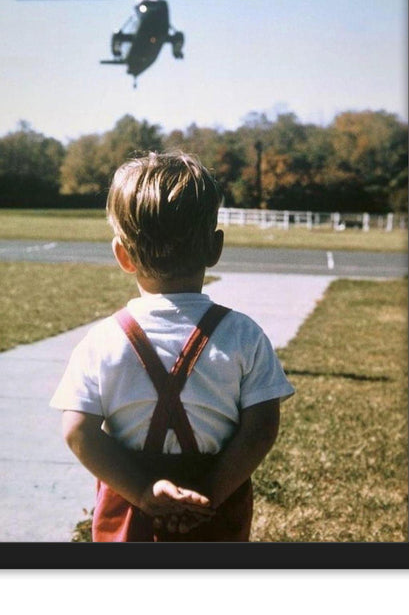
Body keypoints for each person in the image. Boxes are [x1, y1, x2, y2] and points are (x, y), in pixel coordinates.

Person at [50, 151, 294, 541]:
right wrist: (211, 492)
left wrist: (142, 492)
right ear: (215, 248)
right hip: (216, 506)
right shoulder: (244, 335)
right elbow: (261, 429)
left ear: (122, 255)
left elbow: (79, 430)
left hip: (131, 510)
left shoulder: (102, 340)